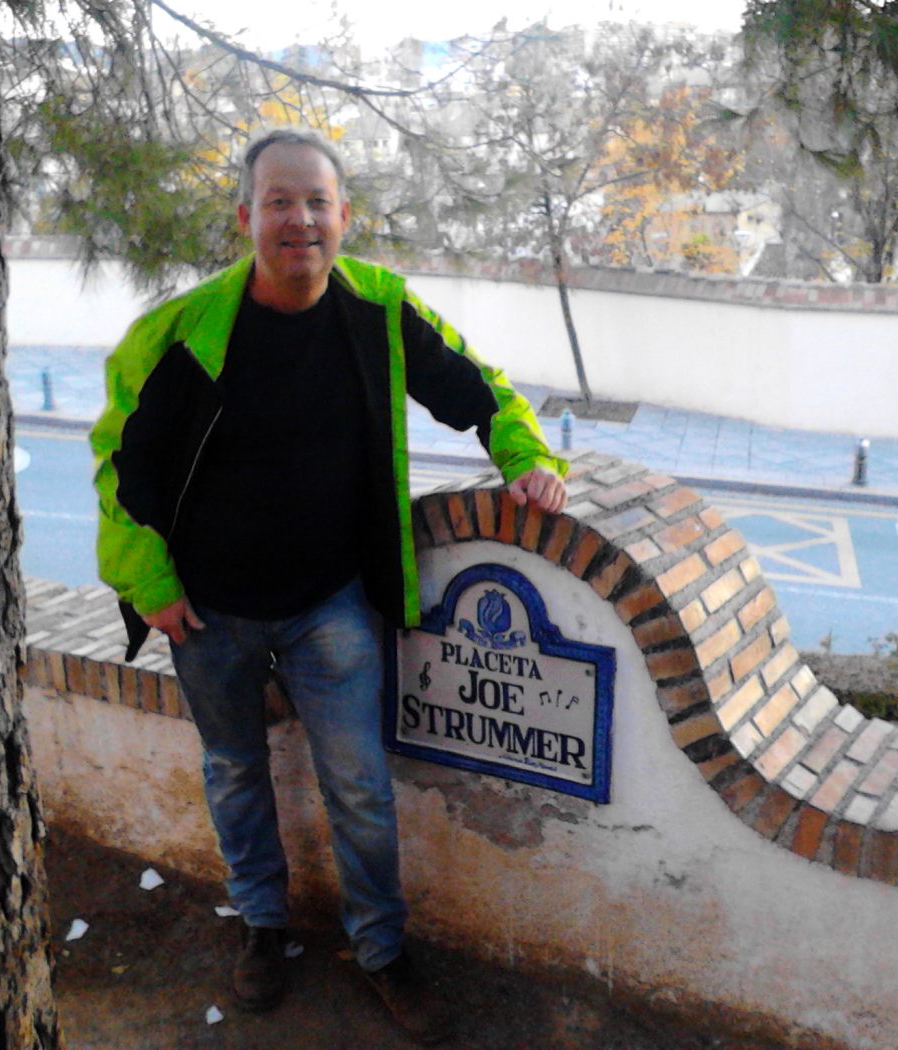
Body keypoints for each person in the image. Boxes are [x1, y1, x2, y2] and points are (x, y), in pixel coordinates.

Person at [91, 125, 567, 1044]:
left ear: (345, 216)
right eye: (279, 201)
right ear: (245, 217)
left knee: (359, 788)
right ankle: (262, 926)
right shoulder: (183, 332)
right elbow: (120, 464)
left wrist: (524, 456)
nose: (299, 220)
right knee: (235, 774)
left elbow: (477, 388)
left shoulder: (378, 307)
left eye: (316, 202)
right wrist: (147, 578)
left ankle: (381, 949)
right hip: (207, 613)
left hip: (331, 606)